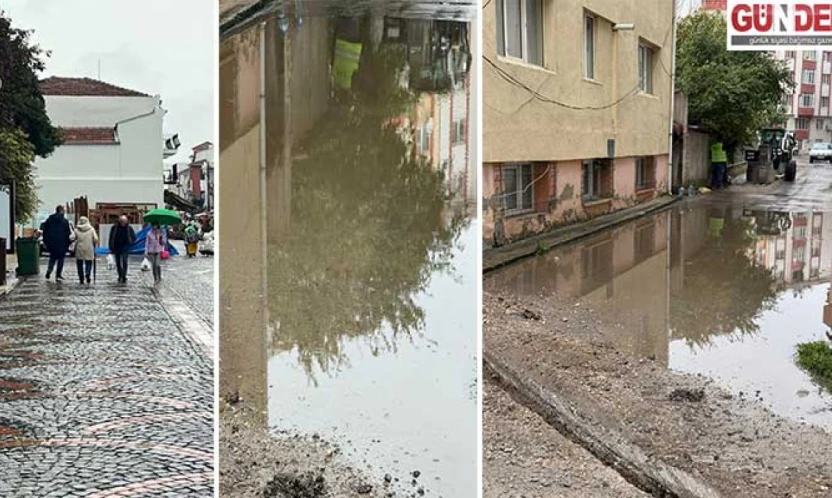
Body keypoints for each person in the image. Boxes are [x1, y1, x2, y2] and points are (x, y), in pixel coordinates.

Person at [42, 205, 72, 281]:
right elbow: (67, 233)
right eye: (63, 210)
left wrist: (45, 241)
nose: (64, 211)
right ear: (61, 211)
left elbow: (45, 231)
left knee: (52, 258)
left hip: (51, 243)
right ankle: (58, 274)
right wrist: (68, 243)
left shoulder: (50, 219)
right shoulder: (65, 221)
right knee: (60, 259)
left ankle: (49, 270)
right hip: (62, 243)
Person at [109, 215, 136, 283]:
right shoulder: (114, 228)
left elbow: (134, 237)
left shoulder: (129, 228)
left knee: (124, 261)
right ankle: (120, 275)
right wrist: (111, 247)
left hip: (125, 247)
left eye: (124, 221)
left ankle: (124, 275)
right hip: (116, 247)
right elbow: (111, 237)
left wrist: (130, 242)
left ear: (126, 221)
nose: (123, 223)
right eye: (122, 221)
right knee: (118, 262)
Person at [72, 216, 98, 284]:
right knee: (89, 262)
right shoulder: (91, 229)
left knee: (79, 263)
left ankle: (81, 277)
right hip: (89, 248)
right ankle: (87, 274)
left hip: (79, 248)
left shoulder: (76, 229)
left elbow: (72, 237)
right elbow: (95, 239)